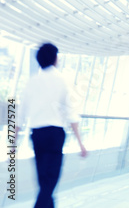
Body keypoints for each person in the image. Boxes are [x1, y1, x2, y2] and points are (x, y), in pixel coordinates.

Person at [17, 43, 87, 208]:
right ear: (55, 58)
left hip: (37, 136)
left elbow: (20, 115)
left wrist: (12, 142)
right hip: (55, 136)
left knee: (44, 182)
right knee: (49, 182)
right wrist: (80, 142)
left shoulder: (31, 82)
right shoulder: (63, 80)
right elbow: (71, 114)